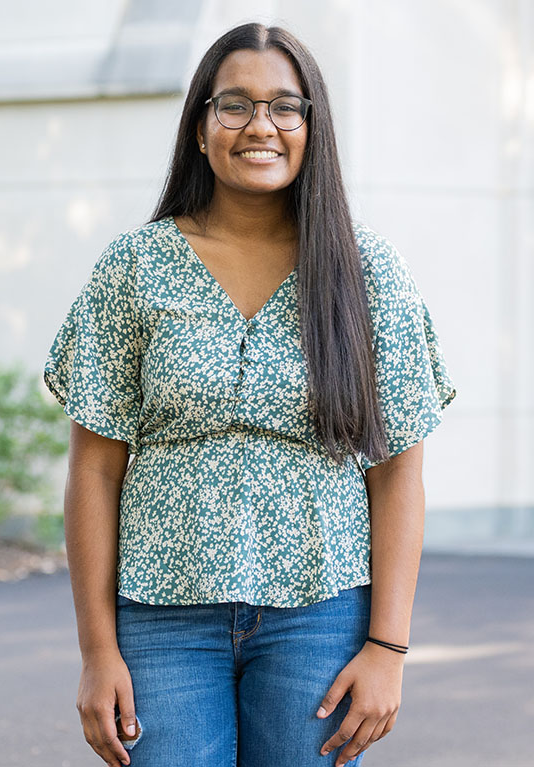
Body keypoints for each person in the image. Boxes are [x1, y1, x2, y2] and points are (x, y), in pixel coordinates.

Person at [42, 22, 456, 767]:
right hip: (162, 619)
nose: (259, 125)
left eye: (284, 107)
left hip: (320, 615)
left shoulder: (366, 271)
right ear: (200, 128)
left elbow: (400, 469)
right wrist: (97, 650)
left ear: (311, 128)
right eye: (234, 105)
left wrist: (388, 647)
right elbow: (94, 471)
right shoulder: (134, 267)